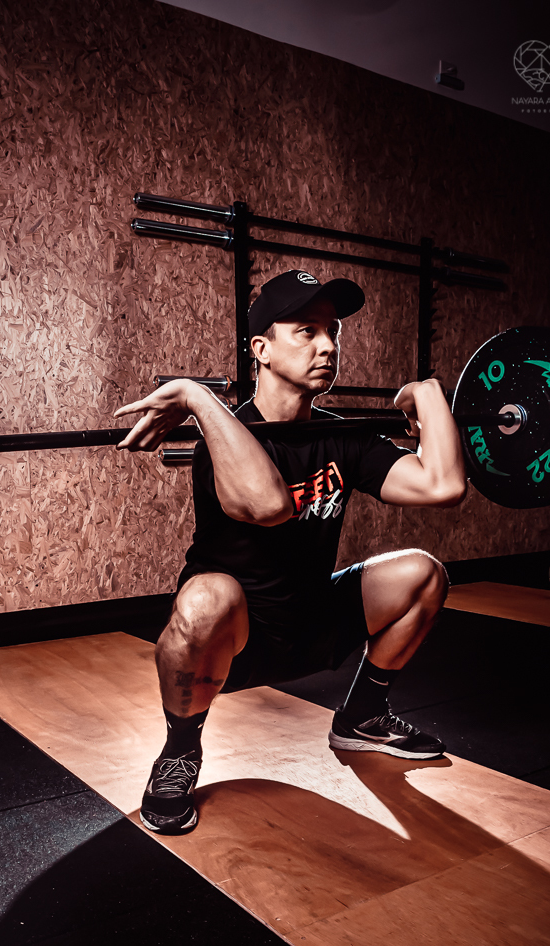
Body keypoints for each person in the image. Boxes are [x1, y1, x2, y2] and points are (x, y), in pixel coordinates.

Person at [114, 269, 467, 835]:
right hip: (237, 635)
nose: (327, 345)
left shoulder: (342, 438)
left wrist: (427, 394)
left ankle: (361, 715)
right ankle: (180, 751)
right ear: (261, 349)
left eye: (332, 332)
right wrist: (197, 398)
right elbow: (266, 504)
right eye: (306, 331)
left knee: (424, 575)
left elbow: (443, 487)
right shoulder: (225, 436)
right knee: (205, 598)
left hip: (312, 616)